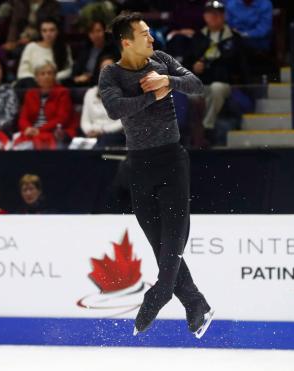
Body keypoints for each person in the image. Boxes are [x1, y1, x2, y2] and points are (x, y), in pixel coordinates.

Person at [98, 12, 213, 337]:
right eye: (145, 34)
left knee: (172, 246)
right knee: (160, 246)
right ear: (127, 42)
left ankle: (158, 295)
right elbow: (114, 109)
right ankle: (196, 304)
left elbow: (196, 85)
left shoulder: (161, 60)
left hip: (172, 163)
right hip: (139, 167)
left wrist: (168, 82)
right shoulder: (110, 75)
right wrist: (152, 95)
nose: (152, 38)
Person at [187, 0, 249, 136]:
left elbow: (241, 66)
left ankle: (207, 128)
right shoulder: (198, 37)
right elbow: (187, 62)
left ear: (224, 16)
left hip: (225, 84)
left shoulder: (234, 38)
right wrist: (194, 67)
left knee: (216, 89)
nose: (213, 17)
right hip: (201, 82)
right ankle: (188, 132)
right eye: (210, 14)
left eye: (217, 14)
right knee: (189, 95)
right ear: (204, 17)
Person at [14, 60, 75, 150]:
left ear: (54, 76)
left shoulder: (62, 92)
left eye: (49, 73)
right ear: (36, 78)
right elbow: (23, 117)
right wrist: (27, 128)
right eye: (42, 74)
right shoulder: (30, 94)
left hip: (53, 131)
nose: (46, 76)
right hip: (32, 132)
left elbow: (62, 119)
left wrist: (39, 130)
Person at [80, 55, 125, 148]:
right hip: (91, 134)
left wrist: (101, 130)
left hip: (114, 134)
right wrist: (89, 131)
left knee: (101, 144)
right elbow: (85, 120)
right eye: (103, 68)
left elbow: (122, 121)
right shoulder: (90, 93)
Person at [16, 17, 74, 84]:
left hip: (56, 84)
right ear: (40, 32)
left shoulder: (64, 48)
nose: (48, 34)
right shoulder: (31, 47)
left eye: (52, 30)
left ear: (57, 31)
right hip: (32, 85)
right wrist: (40, 79)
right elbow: (22, 73)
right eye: (44, 31)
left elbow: (69, 70)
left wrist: (50, 78)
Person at [70, 19, 118, 86]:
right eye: (92, 32)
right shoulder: (85, 49)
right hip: (82, 84)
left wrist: (90, 78)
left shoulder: (113, 49)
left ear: (104, 31)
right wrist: (77, 78)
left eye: (98, 31)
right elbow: (75, 69)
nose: (96, 35)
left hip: (101, 84)